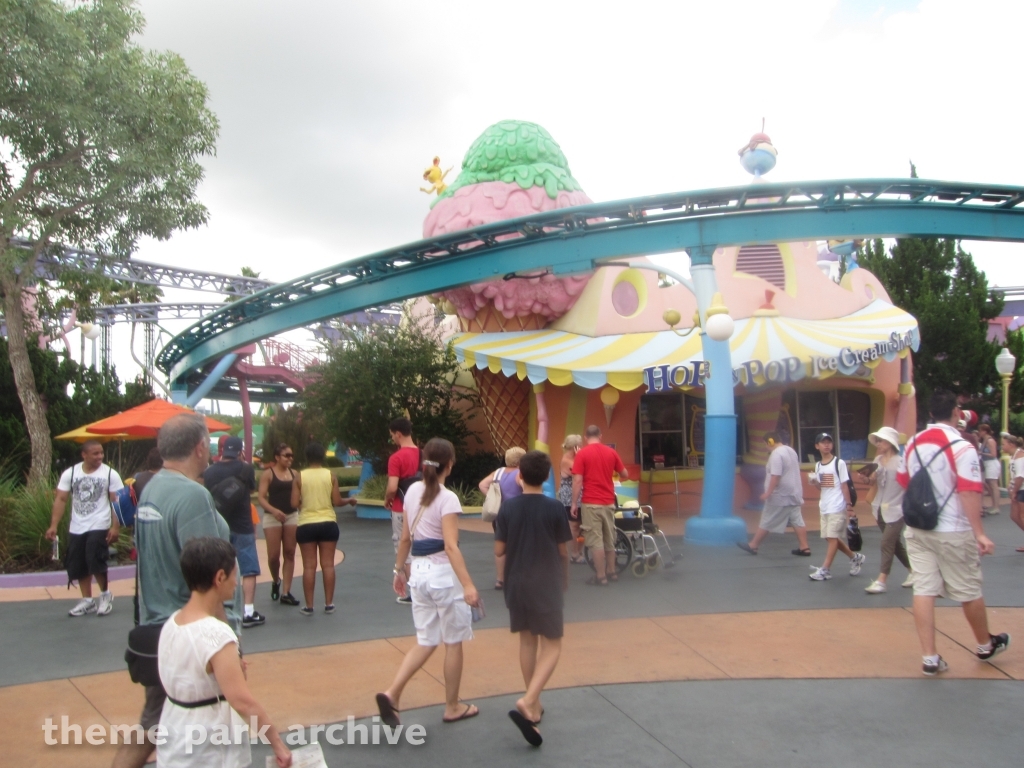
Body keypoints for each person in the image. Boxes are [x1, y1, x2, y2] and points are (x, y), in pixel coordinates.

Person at [112, 413, 243, 768]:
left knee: (164, 723)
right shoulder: (192, 495)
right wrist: (228, 638)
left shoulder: (152, 488)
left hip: (164, 627)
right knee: (183, 727)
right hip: (195, 635)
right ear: (200, 447)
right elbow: (209, 573)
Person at [897, 390, 1010, 675]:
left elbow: (904, 481)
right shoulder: (961, 447)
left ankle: (930, 657)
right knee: (969, 589)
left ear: (931, 414)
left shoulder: (911, 444)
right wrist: (980, 533)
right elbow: (969, 491)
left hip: (918, 527)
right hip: (952, 529)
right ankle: (985, 644)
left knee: (923, 589)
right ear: (957, 414)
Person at [157, 537, 292, 768]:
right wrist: (278, 744)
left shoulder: (172, 623)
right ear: (219, 577)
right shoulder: (216, 635)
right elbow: (242, 702)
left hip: (175, 733)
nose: (236, 582)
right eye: (233, 575)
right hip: (209, 747)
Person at [376, 438, 481, 726]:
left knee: (426, 639)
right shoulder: (447, 498)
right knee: (454, 641)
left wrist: (399, 570)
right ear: (450, 464)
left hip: (418, 574)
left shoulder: (411, 491)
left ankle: (393, 693)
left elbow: (406, 537)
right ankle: (452, 705)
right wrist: (469, 585)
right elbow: (450, 546)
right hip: (443, 576)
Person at [495, 450, 571, 747]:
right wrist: (564, 580)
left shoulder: (508, 509)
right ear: (548, 476)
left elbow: (500, 550)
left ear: (520, 476)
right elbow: (563, 553)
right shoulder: (554, 508)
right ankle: (528, 700)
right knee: (552, 644)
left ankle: (533, 704)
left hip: (516, 582)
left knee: (527, 642)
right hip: (547, 583)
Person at [46, 440, 123, 617]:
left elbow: (116, 501)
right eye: (95, 454)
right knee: (78, 563)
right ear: (84, 455)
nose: (100, 457)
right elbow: (61, 499)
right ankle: (87, 600)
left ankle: (105, 595)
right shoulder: (71, 473)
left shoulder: (110, 474)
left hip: (99, 523)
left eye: (101, 453)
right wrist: (53, 525)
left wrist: (115, 527)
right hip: (77, 524)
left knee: (95, 558)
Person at [203, 436, 263, 628]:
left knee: (219, 568)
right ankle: (248, 611)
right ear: (239, 451)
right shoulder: (246, 468)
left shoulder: (210, 471)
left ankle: (219, 609)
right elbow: (252, 490)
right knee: (248, 569)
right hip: (243, 525)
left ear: (222, 451)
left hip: (218, 525)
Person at [295, 441, 356, 616]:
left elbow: (293, 502)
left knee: (309, 567)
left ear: (306, 457)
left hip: (306, 523)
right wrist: (349, 501)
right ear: (323, 457)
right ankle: (329, 603)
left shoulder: (300, 477)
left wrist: (304, 504)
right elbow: (337, 502)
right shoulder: (331, 475)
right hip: (328, 522)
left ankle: (309, 606)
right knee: (328, 565)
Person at [570, 425, 627, 586]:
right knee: (609, 538)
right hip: (609, 502)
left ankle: (600, 576)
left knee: (595, 540)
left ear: (586, 437)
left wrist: (574, 503)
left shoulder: (582, 454)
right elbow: (625, 474)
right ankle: (612, 571)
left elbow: (578, 480)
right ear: (600, 436)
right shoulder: (611, 452)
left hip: (591, 502)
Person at [737, 432, 810, 557]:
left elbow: (775, 476)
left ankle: (753, 545)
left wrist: (767, 493)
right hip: (794, 493)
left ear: (770, 441)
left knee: (767, 519)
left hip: (780, 495)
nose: (765, 446)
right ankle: (804, 547)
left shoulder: (776, 455)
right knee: (797, 520)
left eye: (765, 444)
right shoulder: (791, 451)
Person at [808, 432, 865, 581]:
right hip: (825, 505)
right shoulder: (818, 465)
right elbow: (823, 487)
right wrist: (815, 482)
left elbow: (844, 486)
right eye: (823, 442)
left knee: (832, 537)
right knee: (829, 537)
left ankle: (825, 569)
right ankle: (855, 557)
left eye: (829, 442)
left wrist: (849, 507)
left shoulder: (838, 463)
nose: (826, 445)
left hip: (837, 505)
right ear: (817, 446)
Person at [863, 427, 913, 594]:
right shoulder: (877, 460)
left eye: (881, 440)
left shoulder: (901, 462)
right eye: (877, 440)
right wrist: (867, 478)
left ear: (890, 443)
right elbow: (873, 482)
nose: (878, 443)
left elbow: (909, 484)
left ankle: (882, 580)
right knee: (894, 544)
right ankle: (915, 573)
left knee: (886, 542)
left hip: (897, 509)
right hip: (879, 507)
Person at [258, 443, 301, 606]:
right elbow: (261, 497)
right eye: (286, 455)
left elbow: (300, 493)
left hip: (291, 515)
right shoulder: (268, 474)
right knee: (273, 556)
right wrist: (274, 511)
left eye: (291, 455)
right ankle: (276, 580)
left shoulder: (295, 473)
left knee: (290, 552)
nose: (290, 458)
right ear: (277, 457)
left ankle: (286, 591)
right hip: (272, 516)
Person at [478, 446, 526, 589]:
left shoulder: (498, 472)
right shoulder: (520, 474)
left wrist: (493, 498)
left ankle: (500, 579)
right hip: (517, 513)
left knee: (501, 547)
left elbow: (482, 484)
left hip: (500, 514)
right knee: (519, 545)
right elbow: (525, 488)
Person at [384, 417, 420, 604]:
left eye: (392, 436)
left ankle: (413, 593)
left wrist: (387, 500)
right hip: (422, 508)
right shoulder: (423, 454)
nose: (393, 439)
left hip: (401, 508)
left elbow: (392, 487)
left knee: (405, 550)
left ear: (398, 434)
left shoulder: (396, 458)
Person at [558, 434, 586, 564]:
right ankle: (574, 553)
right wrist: (580, 456)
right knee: (574, 525)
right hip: (570, 496)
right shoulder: (567, 461)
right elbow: (579, 472)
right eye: (580, 446)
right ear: (575, 447)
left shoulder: (575, 459)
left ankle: (579, 551)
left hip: (580, 495)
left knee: (582, 525)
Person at [1003, 433, 1024, 551]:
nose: (1002, 447)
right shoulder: (1015, 456)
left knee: (1021, 516)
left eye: (1004, 444)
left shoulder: (1020, 456)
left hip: (1022, 489)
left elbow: (1020, 476)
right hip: (1019, 488)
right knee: (1015, 516)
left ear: (1011, 444)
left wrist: (1014, 490)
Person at [977, 424, 1001, 514]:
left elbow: (993, 454)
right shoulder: (985, 440)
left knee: (993, 484)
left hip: (992, 463)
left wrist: (982, 453)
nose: (979, 433)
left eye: (980, 431)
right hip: (987, 463)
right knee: (990, 484)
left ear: (984, 431)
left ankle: (996, 506)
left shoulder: (990, 441)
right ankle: (994, 505)